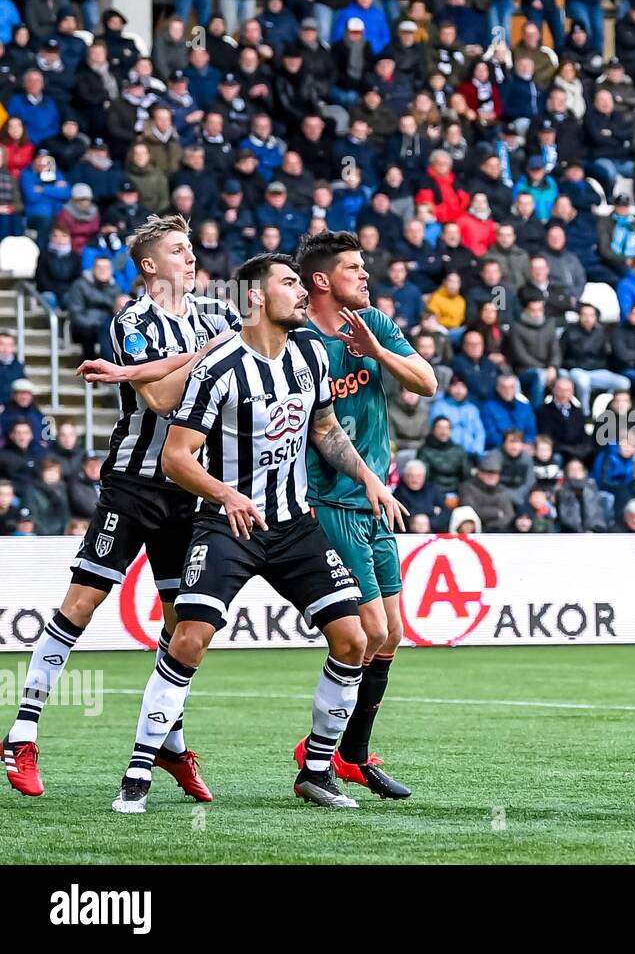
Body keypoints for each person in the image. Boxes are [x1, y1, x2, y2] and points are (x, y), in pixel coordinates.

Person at [111, 251, 402, 814]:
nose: (299, 292)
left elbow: (324, 427)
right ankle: (138, 772)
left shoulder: (311, 355)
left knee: (354, 639)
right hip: (227, 524)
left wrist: (369, 478)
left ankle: (317, 771)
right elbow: (177, 457)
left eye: (299, 281)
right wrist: (225, 493)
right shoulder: (217, 367)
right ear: (255, 297)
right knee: (190, 638)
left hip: (294, 526)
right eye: (288, 283)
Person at [5, 215, 239, 799]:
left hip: (190, 488)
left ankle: (171, 745)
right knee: (81, 603)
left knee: (182, 624)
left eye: (191, 248)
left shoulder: (218, 314)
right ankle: (22, 732)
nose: (191, 258)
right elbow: (160, 399)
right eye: (178, 251)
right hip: (133, 486)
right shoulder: (132, 322)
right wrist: (205, 355)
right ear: (149, 266)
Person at [292, 230, 437, 799]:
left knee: (392, 634)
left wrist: (377, 352)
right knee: (367, 630)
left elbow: (426, 382)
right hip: (330, 502)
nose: (366, 276)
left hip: (379, 503)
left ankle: (353, 754)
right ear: (322, 281)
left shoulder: (373, 323)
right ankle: (317, 756)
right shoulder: (300, 343)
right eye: (354, 268)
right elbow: (319, 429)